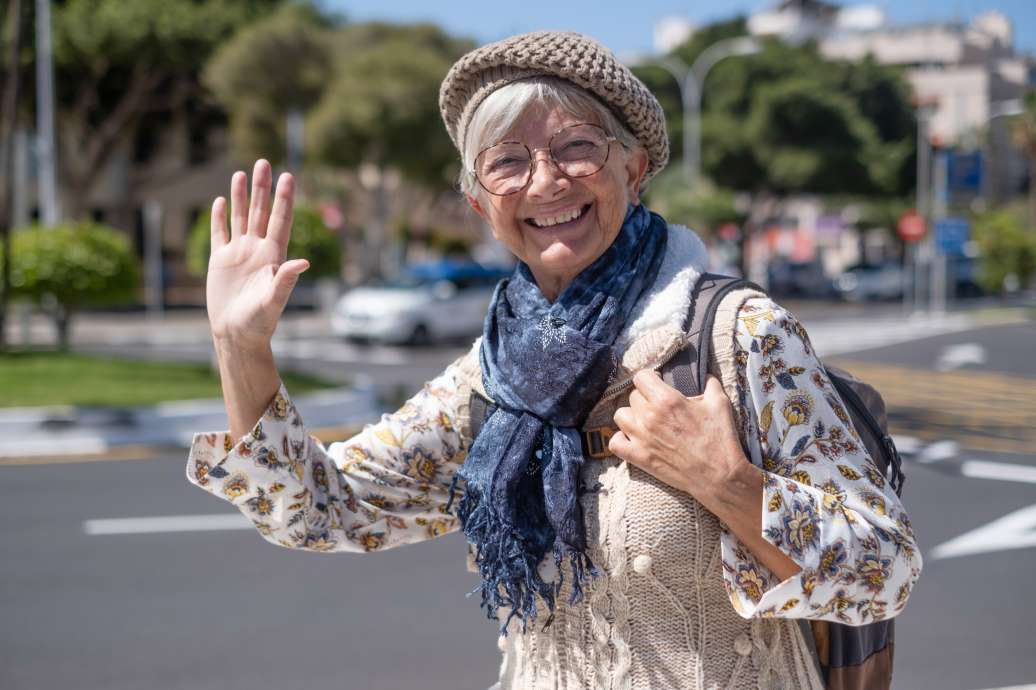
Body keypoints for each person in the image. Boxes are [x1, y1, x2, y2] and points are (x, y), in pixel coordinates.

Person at [188, 31, 921, 690]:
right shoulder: (493, 376)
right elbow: (321, 511)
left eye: (576, 147)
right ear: (482, 206)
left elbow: (884, 570)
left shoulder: (736, 336)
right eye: (507, 162)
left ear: (634, 168)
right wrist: (240, 346)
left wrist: (726, 482)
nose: (545, 182)